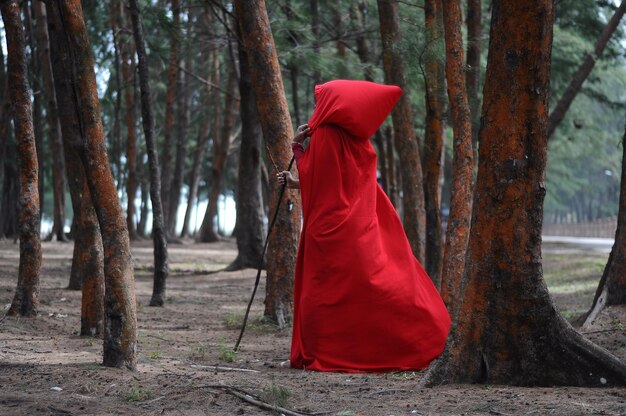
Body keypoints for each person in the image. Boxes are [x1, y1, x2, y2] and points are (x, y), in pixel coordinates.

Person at [278, 80, 450, 372]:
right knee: (362, 289)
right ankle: (421, 336)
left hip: (329, 229)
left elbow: (322, 179)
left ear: (333, 105)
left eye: (321, 101)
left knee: (322, 294)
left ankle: (324, 352)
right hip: (358, 224)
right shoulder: (358, 141)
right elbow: (339, 181)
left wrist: (297, 146)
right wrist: (297, 181)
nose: (317, 107)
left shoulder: (326, 135)